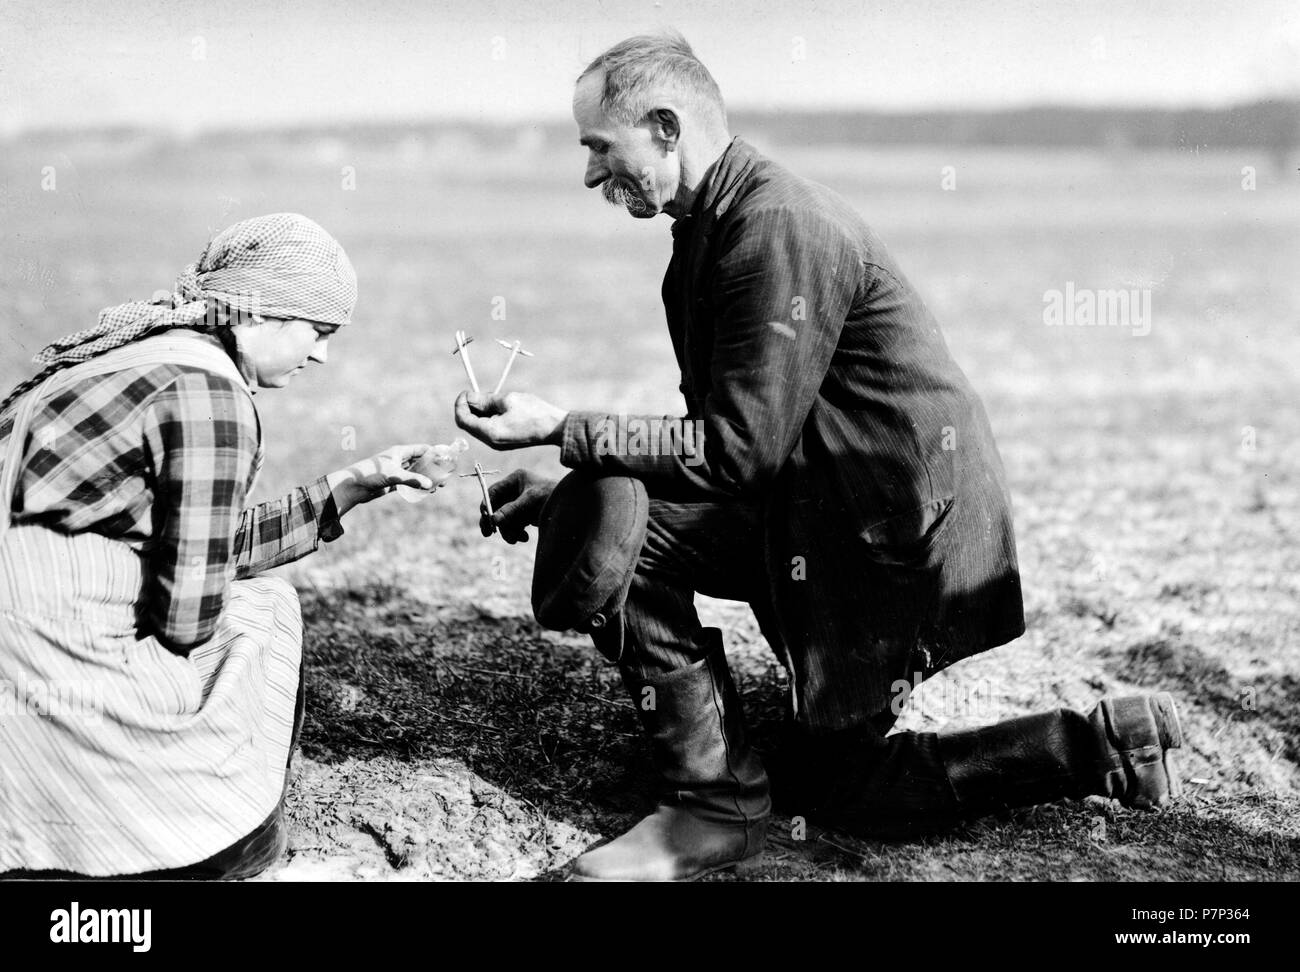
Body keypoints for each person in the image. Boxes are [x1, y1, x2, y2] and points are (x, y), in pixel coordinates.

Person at [455, 32, 1183, 881]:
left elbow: (732, 456)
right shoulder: (706, 236)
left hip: (890, 542)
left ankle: (1089, 745)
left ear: (664, 127)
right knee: (608, 517)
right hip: (825, 510)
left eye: (598, 148)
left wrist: (561, 428)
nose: (588, 175)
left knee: (843, 789)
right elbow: (722, 450)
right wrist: (561, 493)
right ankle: (715, 791)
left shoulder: (773, 230)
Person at [0, 213, 450, 880]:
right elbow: (188, 616)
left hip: (24, 624)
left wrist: (356, 482)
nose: (322, 354)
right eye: (319, 331)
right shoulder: (209, 392)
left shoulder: (148, 350)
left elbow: (198, 537)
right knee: (264, 615)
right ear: (260, 313)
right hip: (44, 642)